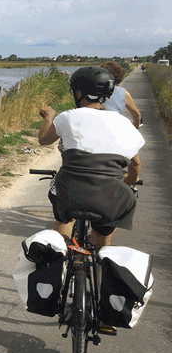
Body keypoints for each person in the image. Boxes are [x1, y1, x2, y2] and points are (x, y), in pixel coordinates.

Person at [37, 66, 144, 248]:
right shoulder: (124, 124)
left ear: (78, 92)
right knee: (103, 237)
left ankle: (61, 251)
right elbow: (136, 164)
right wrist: (130, 179)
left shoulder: (67, 117)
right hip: (110, 197)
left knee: (64, 217)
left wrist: (49, 117)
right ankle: (101, 261)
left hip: (70, 192)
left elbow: (43, 140)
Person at [100, 61, 142, 128]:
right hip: (115, 127)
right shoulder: (122, 92)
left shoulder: (90, 90)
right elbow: (136, 114)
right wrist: (135, 125)